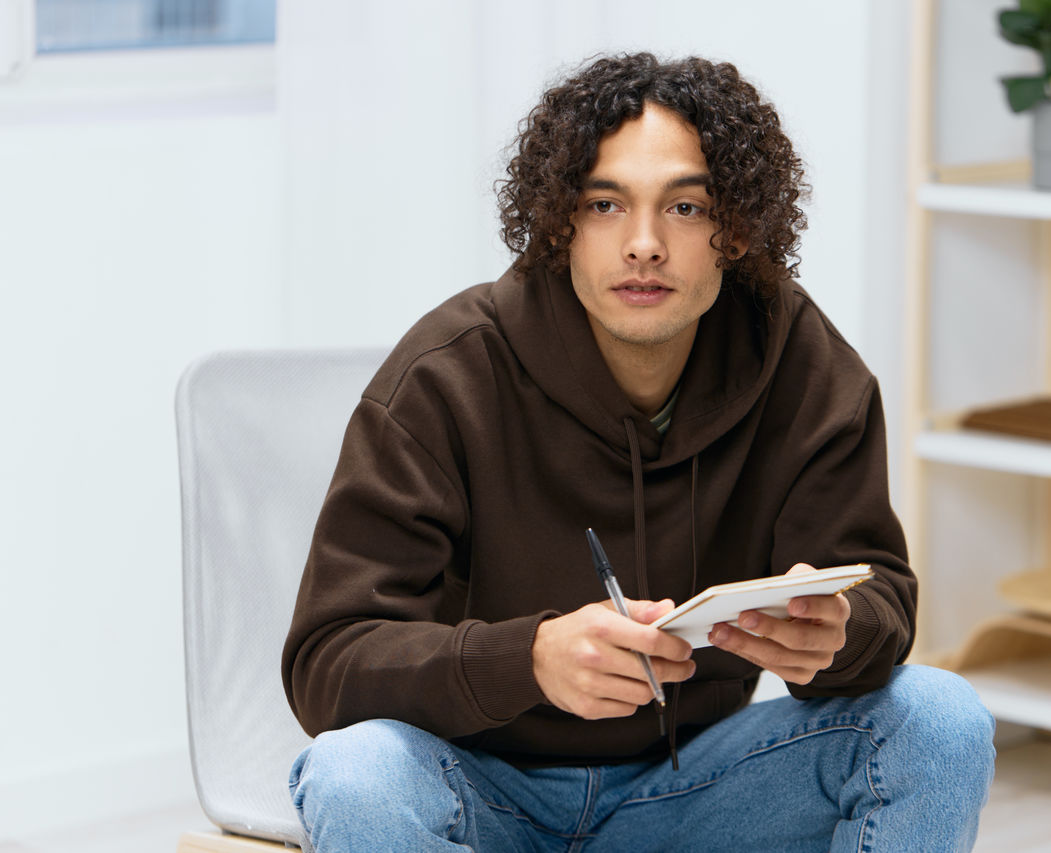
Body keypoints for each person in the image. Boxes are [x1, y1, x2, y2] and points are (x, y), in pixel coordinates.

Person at [283, 52, 995, 852]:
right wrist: (528, 658)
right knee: (353, 771)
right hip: (479, 791)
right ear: (560, 223)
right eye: (606, 204)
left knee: (940, 717)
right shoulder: (446, 377)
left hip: (699, 790)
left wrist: (837, 632)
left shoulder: (799, 360)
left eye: (686, 206)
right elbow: (326, 661)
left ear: (738, 228)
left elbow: (881, 593)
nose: (645, 243)